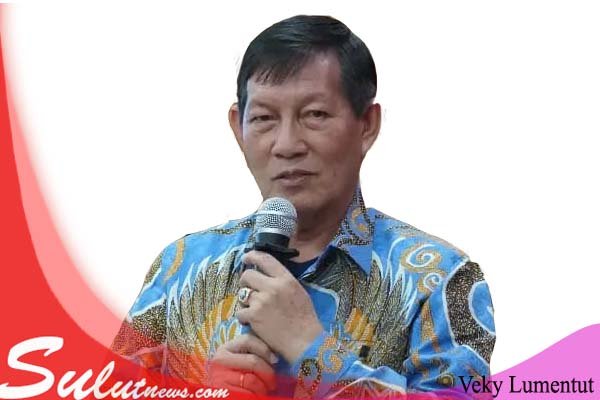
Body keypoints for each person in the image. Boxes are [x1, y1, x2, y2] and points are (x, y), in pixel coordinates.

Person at [111, 14, 496, 399]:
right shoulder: (180, 269)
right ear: (238, 128)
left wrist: (309, 348)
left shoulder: (438, 279)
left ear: (367, 125)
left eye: (315, 115)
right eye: (264, 118)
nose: (287, 144)